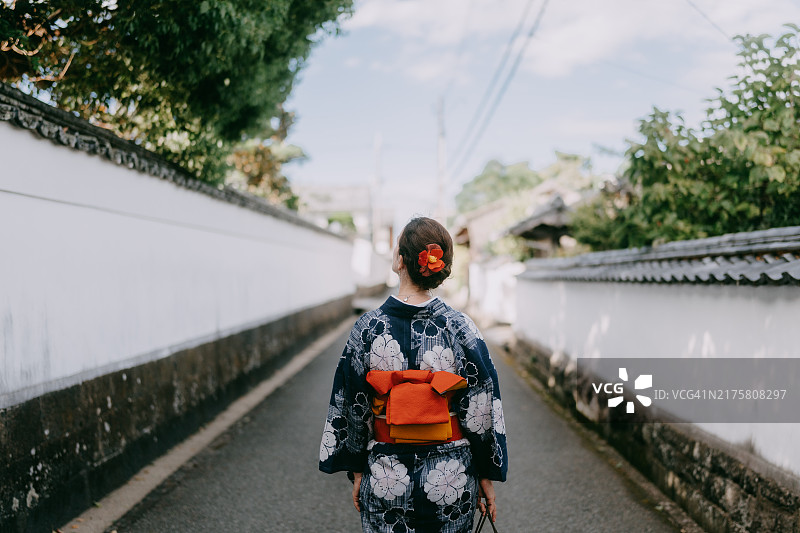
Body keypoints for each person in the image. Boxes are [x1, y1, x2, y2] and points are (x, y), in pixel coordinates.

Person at [319, 217, 508, 533]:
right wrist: (485, 473)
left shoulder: (367, 328)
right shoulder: (461, 328)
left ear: (400, 260)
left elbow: (352, 404)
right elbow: (482, 407)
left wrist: (356, 469)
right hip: (452, 477)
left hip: (386, 475)